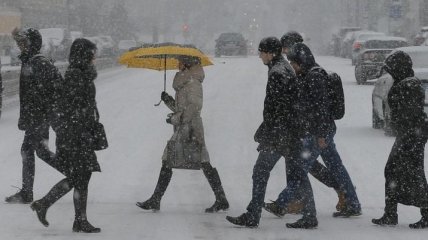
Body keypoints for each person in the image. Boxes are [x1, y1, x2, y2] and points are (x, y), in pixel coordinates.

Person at [264, 32, 361, 217]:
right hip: (321, 130)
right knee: (335, 167)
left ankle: (282, 203)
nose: (289, 62)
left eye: (291, 59)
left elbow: (320, 109)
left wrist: (321, 135)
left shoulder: (313, 76)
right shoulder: (308, 71)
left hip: (319, 132)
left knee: (300, 168)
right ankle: (352, 202)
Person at [136, 54, 229, 213]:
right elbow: (182, 108)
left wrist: (175, 119)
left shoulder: (193, 82)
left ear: (186, 64)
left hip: (191, 128)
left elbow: (194, 106)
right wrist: (168, 101)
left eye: (180, 61)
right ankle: (221, 199)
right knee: (183, 160)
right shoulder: (185, 82)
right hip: (185, 127)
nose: (177, 63)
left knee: (193, 160)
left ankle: (156, 199)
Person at [225, 37, 300, 228]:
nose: (259, 56)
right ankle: (311, 214)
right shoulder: (283, 68)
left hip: (279, 134)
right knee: (300, 174)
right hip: (287, 132)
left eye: (261, 52)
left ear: (270, 53)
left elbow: (278, 108)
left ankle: (253, 215)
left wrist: (269, 133)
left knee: (260, 172)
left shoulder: (277, 72)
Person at [30, 38, 102, 233]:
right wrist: (84, 122)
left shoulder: (80, 74)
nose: (95, 55)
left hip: (77, 133)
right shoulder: (76, 76)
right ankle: (75, 218)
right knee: (80, 175)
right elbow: (73, 107)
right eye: (92, 52)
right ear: (85, 55)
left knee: (80, 175)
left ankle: (64, 212)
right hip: (75, 134)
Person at [372, 51, 428, 229]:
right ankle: (391, 214)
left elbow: (409, 114)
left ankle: (424, 213)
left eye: (392, 68)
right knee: (395, 171)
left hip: (412, 136)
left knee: (413, 174)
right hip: (409, 134)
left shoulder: (410, 85)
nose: (390, 73)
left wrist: (402, 126)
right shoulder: (405, 82)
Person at [5, 28, 60, 204]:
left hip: (39, 117)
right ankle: (74, 175)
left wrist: (44, 116)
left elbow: (50, 93)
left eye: (23, 42)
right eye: (19, 42)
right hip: (35, 116)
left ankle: (74, 175)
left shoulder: (38, 62)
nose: (20, 46)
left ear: (32, 43)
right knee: (37, 151)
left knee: (31, 151)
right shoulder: (30, 60)